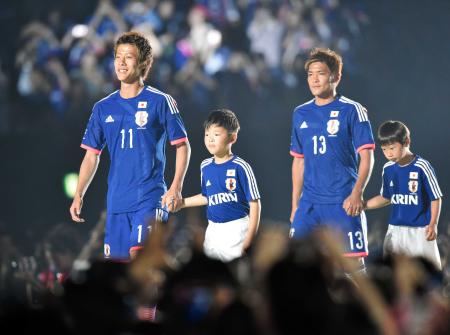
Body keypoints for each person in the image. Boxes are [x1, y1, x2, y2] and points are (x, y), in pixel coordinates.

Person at [69, 31, 191, 261]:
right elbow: (91, 156)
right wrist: (79, 194)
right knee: (118, 272)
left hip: (150, 197)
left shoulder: (160, 101)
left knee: (141, 262)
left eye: (129, 57)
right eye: (118, 57)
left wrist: (175, 186)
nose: (121, 63)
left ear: (144, 62)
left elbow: (182, 145)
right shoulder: (102, 108)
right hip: (116, 203)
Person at [289, 48, 375, 273]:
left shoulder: (353, 110)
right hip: (310, 204)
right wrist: (295, 204)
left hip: (342, 201)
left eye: (320, 73)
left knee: (352, 267)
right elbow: (299, 162)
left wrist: (357, 193)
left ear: (336, 77)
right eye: (310, 74)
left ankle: (362, 307)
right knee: (295, 261)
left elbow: (367, 157)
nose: (314, 79)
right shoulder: (300, 113)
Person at [176, 109, 261, 262]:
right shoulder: (205, 166)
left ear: (232, 137)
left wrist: (249, 240)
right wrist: (182, 203)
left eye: (216, 135)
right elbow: (207, 196)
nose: (210, 139)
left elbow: (255, 203)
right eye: (207, 135)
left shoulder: (240, 166)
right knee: (211, 274)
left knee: (234, 276)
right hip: (213, 230)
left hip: (236, 229)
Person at [364, 120, 443, 270]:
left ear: (406, 141)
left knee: (428, 272)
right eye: (384, 149)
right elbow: (386, 197)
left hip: (420, 231)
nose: (388, 153)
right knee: (392, 272)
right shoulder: (387, 168)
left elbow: (436, 197)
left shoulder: (422, 166)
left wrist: (433, 223)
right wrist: (364, 205)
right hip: (395, 230)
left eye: (392, 148)